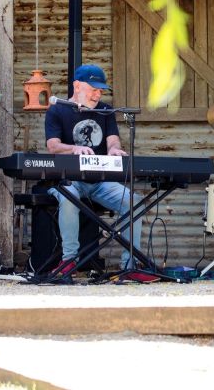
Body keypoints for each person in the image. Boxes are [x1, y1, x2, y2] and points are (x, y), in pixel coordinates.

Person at [45, 64, 143, 276]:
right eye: (93, 89)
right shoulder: (57, 110)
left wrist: (115, 150)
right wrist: (74, 148)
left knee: (133, 201)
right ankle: (68, 261)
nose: (98, 94)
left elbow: (113, 141)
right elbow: (52, 146)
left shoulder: (105, 111)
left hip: (100, 181)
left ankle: (130, 265)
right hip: (68, 181)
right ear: (77, 86)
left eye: (101, 90)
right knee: (69, 198)